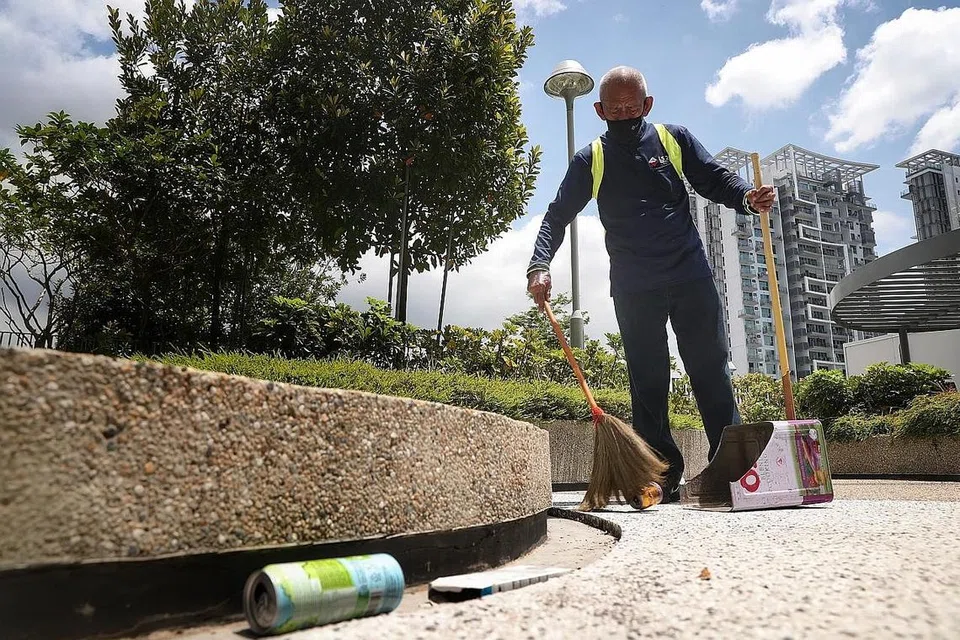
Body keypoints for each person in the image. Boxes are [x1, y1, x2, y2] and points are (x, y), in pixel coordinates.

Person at [526, 66, 776, 503]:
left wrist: (745, 198)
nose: (624, 115)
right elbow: (557, 214)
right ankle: (660, 474)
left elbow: (713, 177)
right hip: (634, 285)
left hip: (689, 274)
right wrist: (539, 264)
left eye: (632, 107)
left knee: (711, 370)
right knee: (647, 380)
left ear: (647, 104)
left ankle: (732, 467)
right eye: (615, 110)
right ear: (600, 110)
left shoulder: (672, 139)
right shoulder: (591, 158)